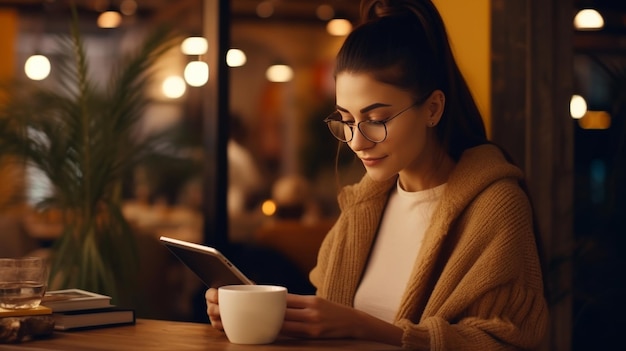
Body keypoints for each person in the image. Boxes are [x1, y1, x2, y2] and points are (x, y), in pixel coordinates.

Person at [206, 0, 549, 349]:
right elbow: (329, 329)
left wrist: (366, 327)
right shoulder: (363, 206)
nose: (357, 141)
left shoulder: (496, 206)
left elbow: (509, 341)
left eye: (376, 120)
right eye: (347, 120)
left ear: (432, 108)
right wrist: (259, 317)